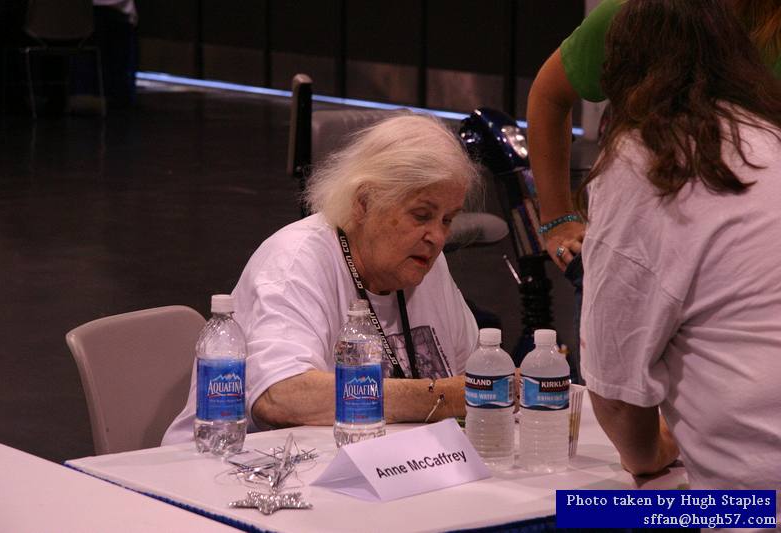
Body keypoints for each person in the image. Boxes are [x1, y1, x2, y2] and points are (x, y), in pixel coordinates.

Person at [163, 113, 481, 442]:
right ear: (365, 202)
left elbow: (474, 381)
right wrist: (438, 398)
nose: (438, 237)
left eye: (447, 219)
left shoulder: (427, 263)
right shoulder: (295, 260)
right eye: (422, 215)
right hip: (231, 469)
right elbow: (280, 396)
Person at [579, 0, 781, 498]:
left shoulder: (643, 162)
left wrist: (649, 458)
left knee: (587, 510)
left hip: (749, 507)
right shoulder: (770, 142)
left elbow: (616, 391)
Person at [526, 0, 781, 271]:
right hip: (647, 248)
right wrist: (557, 220)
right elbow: (549, 96)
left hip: (756, 252)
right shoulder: (636, 11)